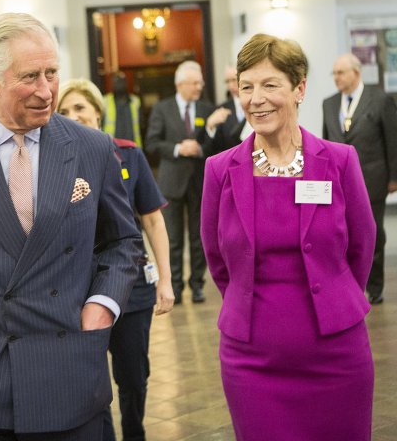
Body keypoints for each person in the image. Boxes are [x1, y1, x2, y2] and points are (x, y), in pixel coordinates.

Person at [0, 13, 143, 439]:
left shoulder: (91, 147)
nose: (46, 91)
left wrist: (102, 304)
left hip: (68, 375)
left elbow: (123, 242)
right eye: (30, 76)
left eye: (52, 73)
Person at [201, 34, 376, 440]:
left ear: (299, 88)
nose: (256, 99)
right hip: (251, 361)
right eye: (246, 87)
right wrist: (247, 303)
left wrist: (337, 299)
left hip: (337, 355)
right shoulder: (219, 170)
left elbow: (362, 246)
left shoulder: (339, 160)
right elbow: (216, 258)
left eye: (270, 85)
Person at [57, 78, 174, 441]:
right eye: (64, 111)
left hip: (131, 285)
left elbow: (153, 220)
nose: (72, 116)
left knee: (133, 375)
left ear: (97, 111)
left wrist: (166, 280)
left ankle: (135, 431)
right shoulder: (52, 161)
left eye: (79, 108)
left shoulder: (129, 154)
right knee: (91, 378)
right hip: (77, 286)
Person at [322, 53, 397, 305]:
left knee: (371, 233)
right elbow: (325, 145)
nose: (336, 78)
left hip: (372, 179)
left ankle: (374, 287)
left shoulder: (380, 100)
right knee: (341, 234)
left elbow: (393, 141)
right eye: (334, 73)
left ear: (356, 72)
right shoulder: (329, 104)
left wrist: (394, 177)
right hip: (338, 182)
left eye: (340, 73)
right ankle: (349, 285)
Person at [145, 60, 215, 304]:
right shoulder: (162, 109)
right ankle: (174, 285)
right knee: (173, 238)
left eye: (200, 83)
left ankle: (197, 285)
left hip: (199, 181)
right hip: (172, 182)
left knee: (199, 237)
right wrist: (177, 148)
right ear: (180, 84)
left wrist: (200, 148)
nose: (199, 87)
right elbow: (152, 143)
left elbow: (214, 145)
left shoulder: (206, 109)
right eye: (195, 83)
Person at [206, 64, 250, 153]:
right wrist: (210, 127)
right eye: (227, 81)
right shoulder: (221, 109)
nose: (230, 86)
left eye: (233, 80)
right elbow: (214, 147)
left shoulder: (255, 103)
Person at [102, 72, 144, 146]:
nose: (118, 84)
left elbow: (141, 125)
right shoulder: (105, 101)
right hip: (111, 147)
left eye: (120, 81)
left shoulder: (135, 101)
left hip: (133, 147)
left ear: (125, 83)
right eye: (115, 81)